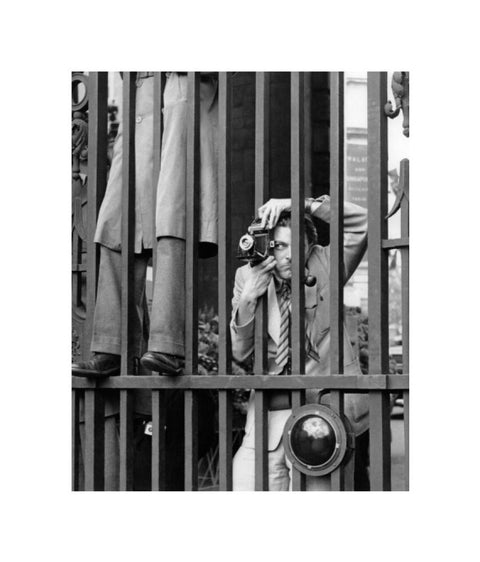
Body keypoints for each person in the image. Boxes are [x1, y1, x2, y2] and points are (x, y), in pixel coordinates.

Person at [72, 71, 218, 378]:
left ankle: (167, 345)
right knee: (116, 222)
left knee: (172, 218)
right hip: (141, 100)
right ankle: (111, 347)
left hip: (182, 91)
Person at [230, 195, 369, 491]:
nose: (288, 256)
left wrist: (299, 203)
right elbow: (240, 354)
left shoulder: (325, 262)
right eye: (279, 246)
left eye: (295, 245)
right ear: (266, 245)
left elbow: (363, 224)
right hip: (268, 417)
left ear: (309, 246)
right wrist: (248, 299)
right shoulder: (247, 275)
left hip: (324, 414)